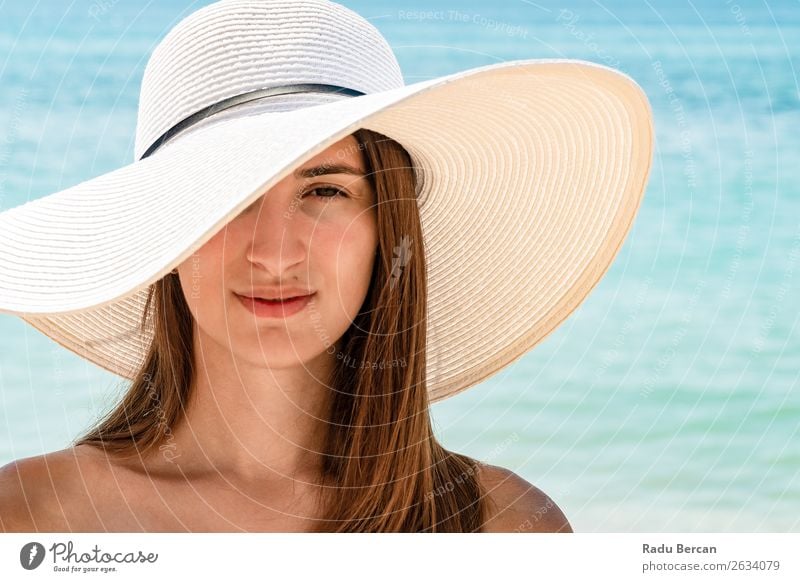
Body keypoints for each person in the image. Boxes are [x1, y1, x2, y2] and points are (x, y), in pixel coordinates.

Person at [0, 0, 653, 532]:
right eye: (229, 197)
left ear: (385, 229)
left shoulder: (509, 529)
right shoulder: (29, 518)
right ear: (170, 240)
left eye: (324, 191)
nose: (275, 251)